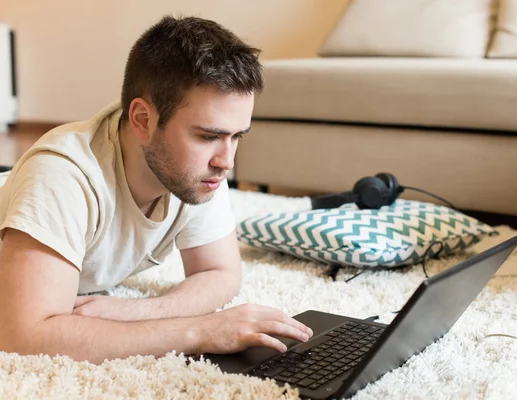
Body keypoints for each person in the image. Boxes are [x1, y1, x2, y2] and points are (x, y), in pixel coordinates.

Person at [0, 15, 313, 364]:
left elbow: (220, 272)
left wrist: (134, 311)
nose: (227, 161)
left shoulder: (198, 170)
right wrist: (200, 331)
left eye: (237, 136)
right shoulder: (61, 175)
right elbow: (22, 335)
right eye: (209, 136)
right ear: (143, 121)